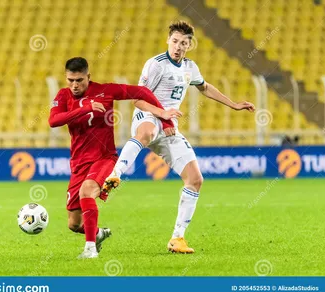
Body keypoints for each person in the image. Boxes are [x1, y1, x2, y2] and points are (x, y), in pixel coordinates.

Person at [103, 21, 256, 254]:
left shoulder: (190, 67)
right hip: (150, 115)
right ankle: (116, 174)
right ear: (168, 40)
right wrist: (162, 114)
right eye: (175, 41)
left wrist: (233, 104)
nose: (178, 46)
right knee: (146, 132)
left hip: (170, 126)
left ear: (189, 45)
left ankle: (177, 239)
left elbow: (204, 87)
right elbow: (137, 99)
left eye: (183, 43)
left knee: (195, 179)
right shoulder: (156, 64)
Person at [48, 57, 182, 259]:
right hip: (78, 163)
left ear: (88, 77)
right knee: (74, 224)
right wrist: (85, 108)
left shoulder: (105, 91)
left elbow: (141, 92)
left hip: (104, 158)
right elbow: (53, 120)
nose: (75, 85)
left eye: (79, 80)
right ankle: (99, 234)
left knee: (87, 192)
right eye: (70, 80)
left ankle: (90, 249)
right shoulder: (63, 95)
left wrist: (164, 117)